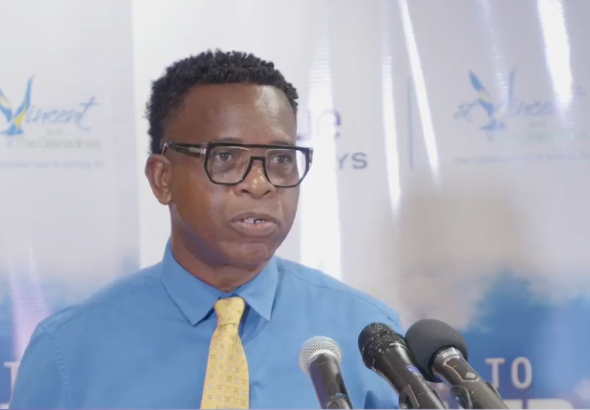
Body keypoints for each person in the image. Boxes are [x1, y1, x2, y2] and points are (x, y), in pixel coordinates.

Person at [9, 50, 403, 409]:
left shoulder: (367, 337)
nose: (260, 184)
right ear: (163, 178)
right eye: (226, 156)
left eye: (281, 158)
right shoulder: (69, 350)